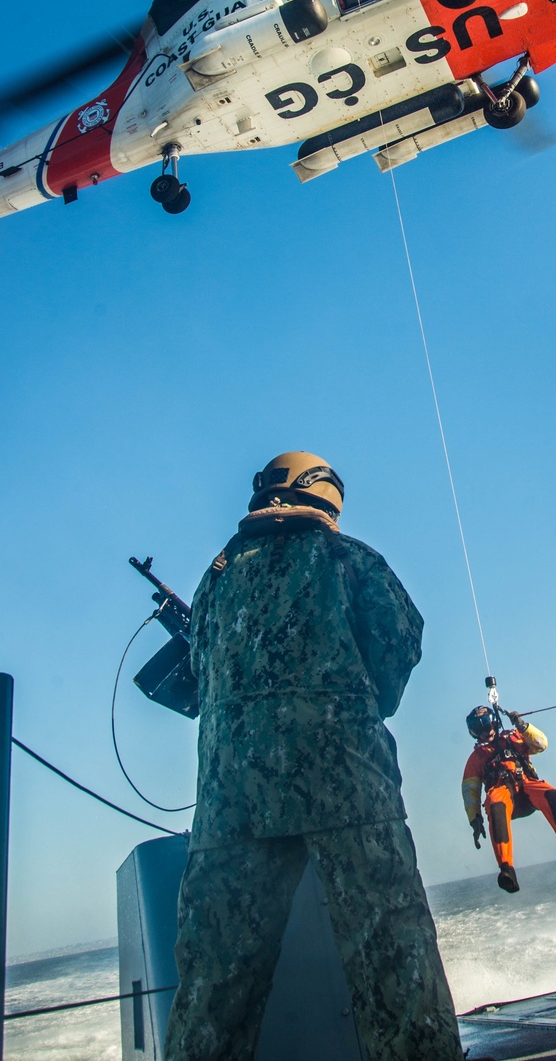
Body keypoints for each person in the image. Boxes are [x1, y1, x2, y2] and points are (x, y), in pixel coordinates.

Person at [164, 451, 464, 1061]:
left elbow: (199, 673)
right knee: (392, 957)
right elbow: (395, 654)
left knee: (213, 987)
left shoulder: (214, 579)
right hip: (349, 788)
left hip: (231, 808)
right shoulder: (351, 560)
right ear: (325, 495)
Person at [462, 704, 556, 893]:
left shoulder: (514, 737)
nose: (485, 731)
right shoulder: (476, 758)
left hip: (527, 787)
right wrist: (474, 819)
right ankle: (507, 870)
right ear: (474, 733)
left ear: (494, 722)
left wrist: (523, 726)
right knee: (495, 805)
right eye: (478, 729)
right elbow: (470, 790)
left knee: (554, 796)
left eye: (486, 724)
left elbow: (541, 744)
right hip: (502, 793)